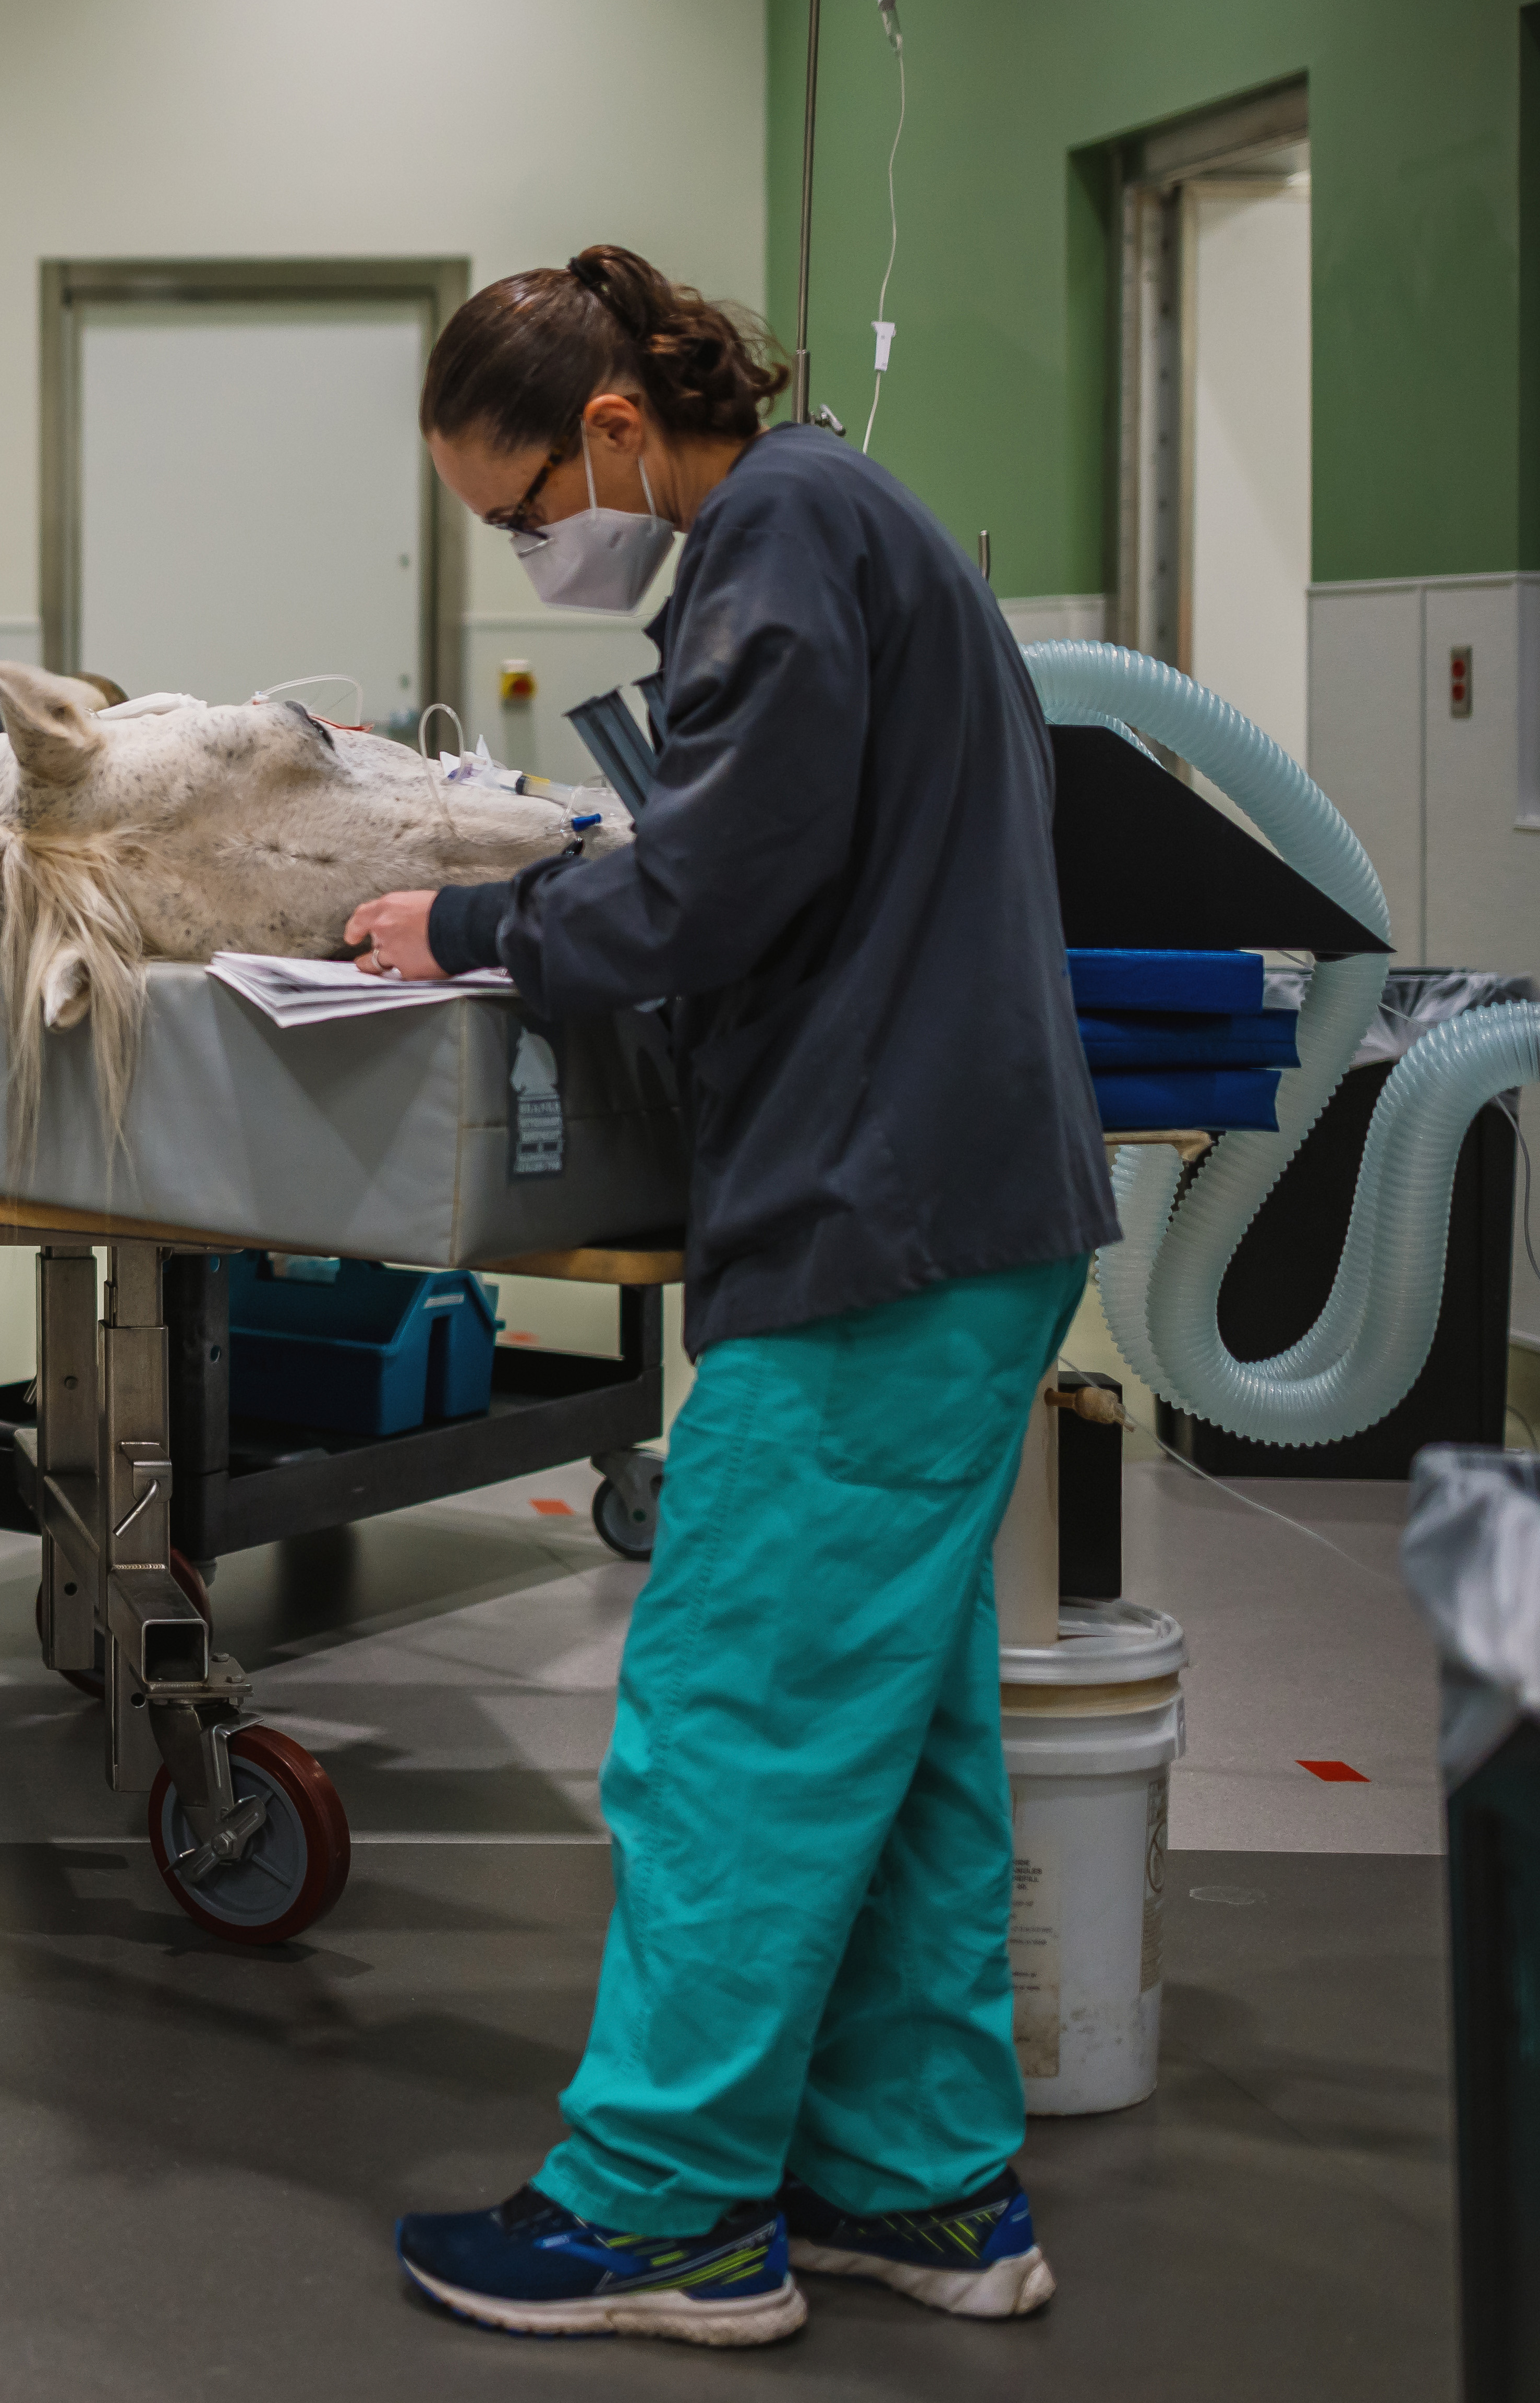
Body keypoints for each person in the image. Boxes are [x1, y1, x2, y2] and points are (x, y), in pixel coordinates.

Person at [348, 248, 1113, 2348]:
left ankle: (661, 2211)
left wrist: (472, 924)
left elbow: (710, 887)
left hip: (877, 1219)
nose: (529, 556)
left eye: (519, 514)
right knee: (905, 1730)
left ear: (612, 426)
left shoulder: (773, 532)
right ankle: (916, 2181)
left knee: (736, 1727)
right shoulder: (840, 523)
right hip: (961, 1208)